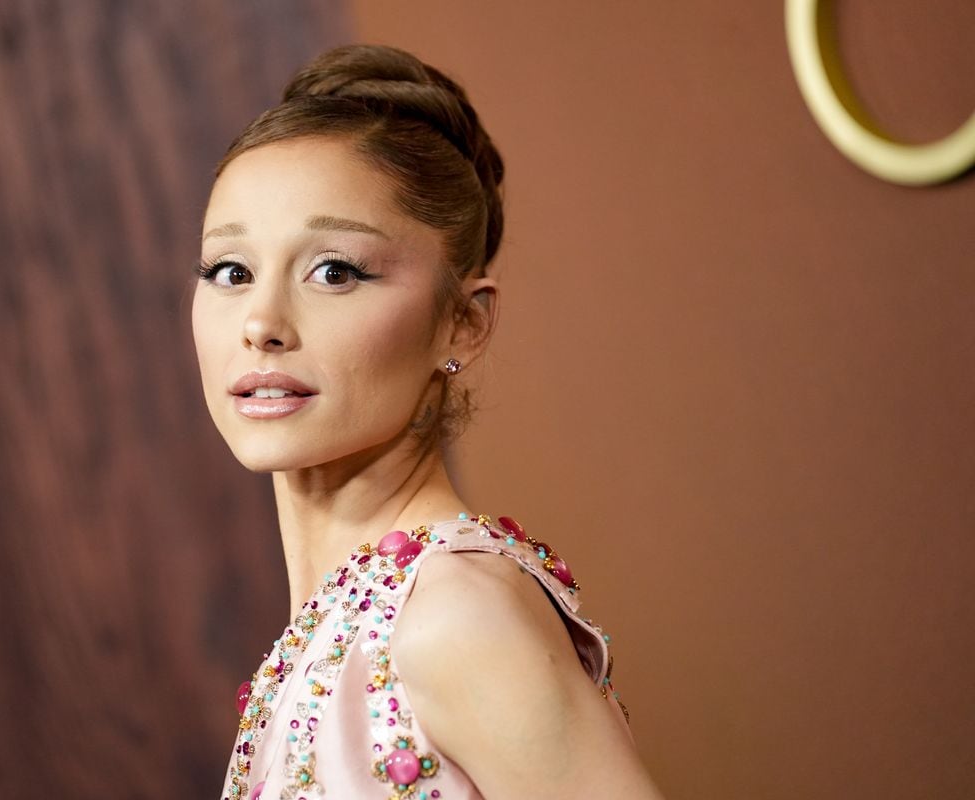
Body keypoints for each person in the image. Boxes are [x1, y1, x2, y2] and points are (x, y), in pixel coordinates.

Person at [193, 43, 664, 800]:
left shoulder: (455, 617)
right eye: (231, 271)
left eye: (334, 271)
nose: (261, 323)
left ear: (463, 323)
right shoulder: (349, 622)